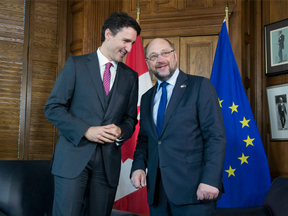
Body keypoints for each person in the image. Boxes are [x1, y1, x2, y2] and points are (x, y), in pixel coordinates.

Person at [44, 12, 141, 216]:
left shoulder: (131, 77)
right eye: (126, 41)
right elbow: (53, 108)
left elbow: (130, 119)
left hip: (107, 167)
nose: (129, 49)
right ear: (108, 34)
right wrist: (86, 130)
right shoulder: (76, 65)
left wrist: (121, 131)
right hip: (72, 161)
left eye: (132, 43)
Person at [130, 38, 226, 216]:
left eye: (165, 53)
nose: (160, 59)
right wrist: (138, 166)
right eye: (153, 56)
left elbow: (215, 137)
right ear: (148, 63)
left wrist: (211, 180)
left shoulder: (200, 86)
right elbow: (145, 138)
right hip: (157, 194)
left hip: (195, 190)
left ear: (174, 55)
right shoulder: (146, 98)